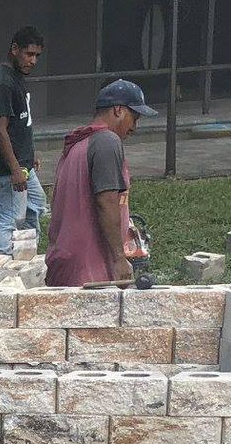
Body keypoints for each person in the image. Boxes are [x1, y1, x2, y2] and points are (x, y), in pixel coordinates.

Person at [44, 79, 155, 288]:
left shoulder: (77, 144)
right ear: (118, 110)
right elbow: (107, 202)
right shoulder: (107, 142)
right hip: (89, 267)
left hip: (67, 260)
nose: (134, 127)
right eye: (134, 117)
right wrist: (119, 258)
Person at [0, 27, 46, 251]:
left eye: (37, 56)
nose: (33, 61)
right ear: (15, 49)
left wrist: (29, 153)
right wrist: (15, 168)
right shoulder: (2, 82)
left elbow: (22, 122)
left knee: (36, 204)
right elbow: (0, 130)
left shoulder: (16, 76)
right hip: (10, 168)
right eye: (29, 54)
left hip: (23, 164)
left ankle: (24, 255)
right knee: (8, 217)